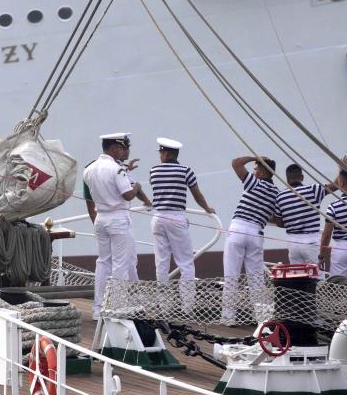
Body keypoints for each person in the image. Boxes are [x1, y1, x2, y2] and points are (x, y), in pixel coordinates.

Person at [83, 133, 151, 318]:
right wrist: (137, 187)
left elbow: (91, 195)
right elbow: (127, 195)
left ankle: (98, 308)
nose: (123, 151)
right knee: (121, 264)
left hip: (100, 218)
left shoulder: (89, 169)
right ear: (114, 148)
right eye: (121, 148)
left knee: (103, 263)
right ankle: (117, 307)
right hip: (118, 219)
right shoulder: (117, 169)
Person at [148, 138, 214, 314]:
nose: (160, 155)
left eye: (161, 152)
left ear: (167, 154)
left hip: (158, 217)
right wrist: (207, 208)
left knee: (161, 263)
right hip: (176, 217)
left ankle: (164, 306)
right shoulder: (186, 171)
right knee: (186, 263)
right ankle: (187, 307)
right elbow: (197, 195)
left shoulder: (153, 171)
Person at [222, 156, 286, 323]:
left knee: (231, 275)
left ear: (263, 171)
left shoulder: (254, 183)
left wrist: (254, 157)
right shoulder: (276, 193)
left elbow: (236, 162)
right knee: (256, 278)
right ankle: (261, 318)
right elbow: (278, 220)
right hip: (256, 233)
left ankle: (228, 317)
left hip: (238, 229)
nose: (254, 171)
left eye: (256, 168)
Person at [274, 161, 338, 266]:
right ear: (302, 177)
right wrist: (341, 168)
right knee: (316, 274)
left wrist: (293, 221)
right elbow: (336, 186)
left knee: (297, 274)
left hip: (293, 243)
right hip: (310, 242)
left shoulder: (280, 196)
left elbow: (278, 222)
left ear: (287, 180)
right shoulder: (313, 190)